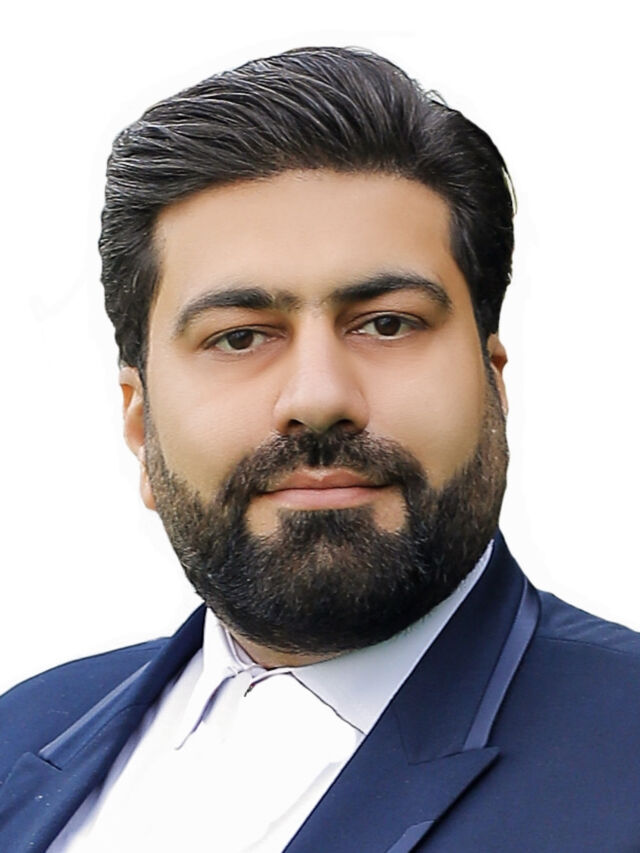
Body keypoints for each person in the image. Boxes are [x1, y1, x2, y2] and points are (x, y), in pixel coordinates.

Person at [0, 45, 638, 853]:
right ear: (139, 420)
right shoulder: (19, 731)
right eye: (239, 336)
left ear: (493, 381)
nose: (317, 395)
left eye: (388, 323)